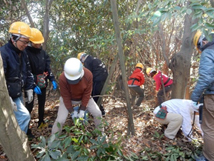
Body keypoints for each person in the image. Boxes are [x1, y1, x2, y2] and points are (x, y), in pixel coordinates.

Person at [0, 21, 41, 134]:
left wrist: (29, 88)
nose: (26, 45)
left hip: (17, 93)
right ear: (14, 38)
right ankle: (19, 143)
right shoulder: (4, 53)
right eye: (24, 42)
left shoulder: (22, 53)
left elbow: (27, 72)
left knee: (19, 119)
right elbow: (1, 78)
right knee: (23, 117)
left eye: (28, 42)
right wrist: (6, 96)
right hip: (7, 94)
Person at [51, 57, 103, 135]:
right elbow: (65, 96)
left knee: (98, 113)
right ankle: (53, 141)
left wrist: (82, 109)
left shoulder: (88, 75)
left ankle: (101, 135)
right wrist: (72, 112)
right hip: (69, 98)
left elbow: (87, 93)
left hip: (83, 97)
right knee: (60, 120)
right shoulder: (62, 78)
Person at [24, 28, 57, 131]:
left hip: (42, 79)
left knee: (42, 102)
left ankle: (41, 122)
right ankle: (26, 128)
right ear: (31, 42)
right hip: (30, 81)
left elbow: (47, 67)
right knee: (29, 105)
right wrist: (32, 84)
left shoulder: (43, 53)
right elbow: (25, 70)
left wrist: (52, 79)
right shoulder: (25, 52)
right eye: (36, 43)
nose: (38, 45)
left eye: (39, 43)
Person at [191, 30, 214, 161]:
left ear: (202, 41)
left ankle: (209, 157)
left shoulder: (208, 51)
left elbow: (206, 77)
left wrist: (195, 97)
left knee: (210, 128)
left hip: (212, 95)